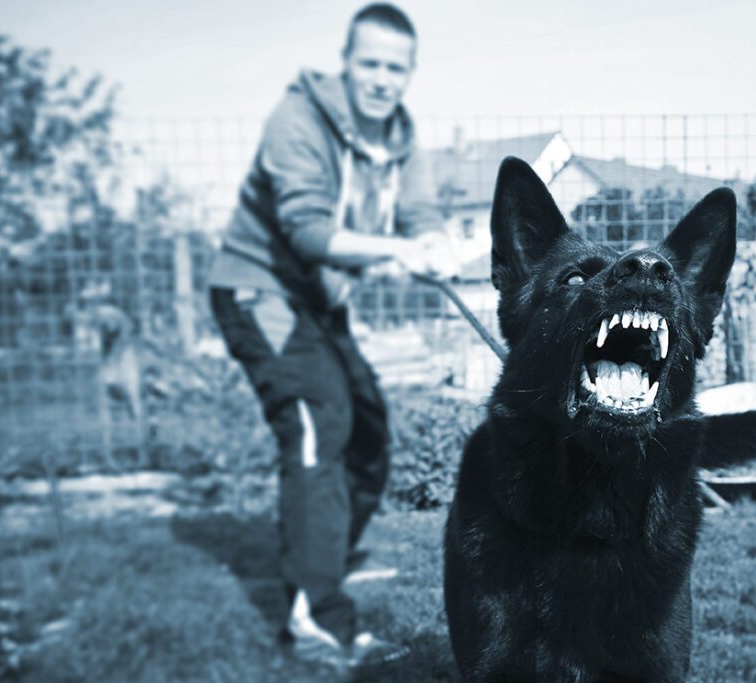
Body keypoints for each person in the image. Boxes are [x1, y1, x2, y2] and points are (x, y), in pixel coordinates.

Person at [207, 2, 451, 665]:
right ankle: (317, 620)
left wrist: (431, 243)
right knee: (320, 418)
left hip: (319, 301)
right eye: (369, 63)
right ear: (346, 62)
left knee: (369, 434)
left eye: (394, 68)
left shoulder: (401, 136)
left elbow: (421, 210)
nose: (381, 79)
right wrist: (396, 252)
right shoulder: (298, 117)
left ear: (410, 72)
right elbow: (307, 229)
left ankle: (318, 564)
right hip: (260, 289)